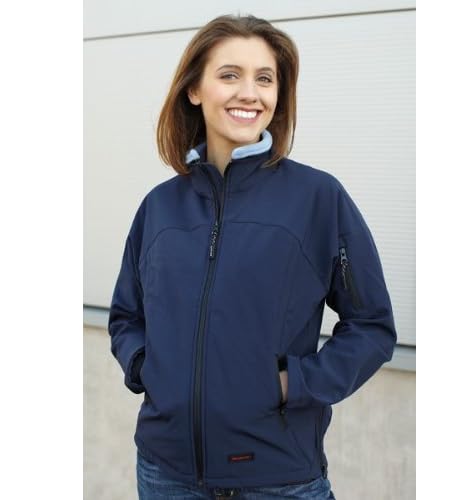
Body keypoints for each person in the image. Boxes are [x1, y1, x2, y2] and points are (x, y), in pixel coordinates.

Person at [108, 13, 397, 500]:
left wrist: (291, 385)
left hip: (278, 478)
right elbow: (125, 316)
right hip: (165, 473)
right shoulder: (159, 207)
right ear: (194, 89)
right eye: (229, 75)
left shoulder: (317, 198)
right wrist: (144, 367)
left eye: (265, 79)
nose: (250, 93)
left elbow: (371, 326)